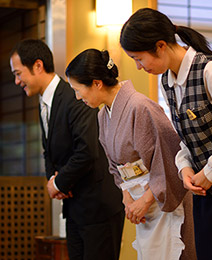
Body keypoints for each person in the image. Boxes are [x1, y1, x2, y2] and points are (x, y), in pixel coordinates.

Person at [119, 7, 212, 260]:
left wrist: (210, 171)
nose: (138, 67)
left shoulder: (211, 71)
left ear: (160, 46)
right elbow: (186, 138)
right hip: (206, 193)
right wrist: (184, 168)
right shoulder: (168, 81)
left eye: (138, 58)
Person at [65, 48, 197, 260]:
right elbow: (116, 167)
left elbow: (170, 160)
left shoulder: (140, 107)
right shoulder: (102, 116)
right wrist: (127, 198)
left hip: (161, 200)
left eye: (78, 89)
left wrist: (144, 201)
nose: (77, 97)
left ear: (97, 83)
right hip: (139, 201)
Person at [9, 39, 125, 260]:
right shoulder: (44, 101)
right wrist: (55, 181)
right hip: (74, 206)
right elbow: (48, 152)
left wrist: (59, 183)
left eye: (18, 73)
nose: (16, 81)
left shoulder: (75, 93)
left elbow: (87, 149)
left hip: (98, 205)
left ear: (37, 66)